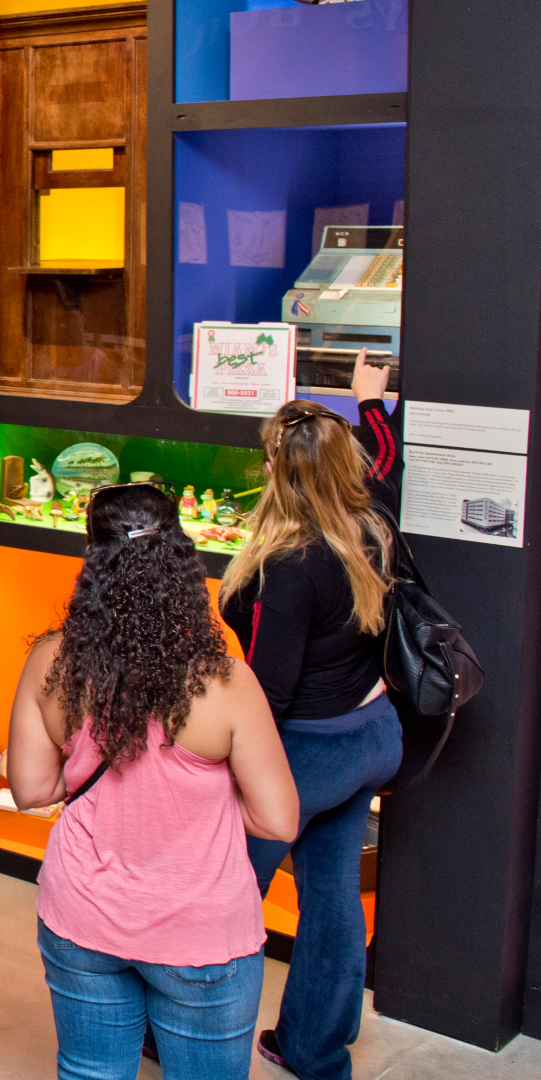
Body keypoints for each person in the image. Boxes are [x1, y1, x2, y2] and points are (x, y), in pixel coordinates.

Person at [8, 483, 299, 1080]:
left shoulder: (51, 661)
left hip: (81, 915)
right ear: (182, 562)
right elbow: (278, 818)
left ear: (93, 561)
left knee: (90, 1071)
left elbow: (32, 789)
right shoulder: (226, 683)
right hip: (200, 930)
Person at [217, 354, 403, 1080]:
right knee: (332, 900)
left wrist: (217, 760)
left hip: (304, 757)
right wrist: (372, 403)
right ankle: (315, 1050)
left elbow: (268, 692)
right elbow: (386, 460)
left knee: (228, 893)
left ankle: (189, 1032)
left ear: (276, 473)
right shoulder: (373, 522)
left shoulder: (286, 566)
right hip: (371, 739)